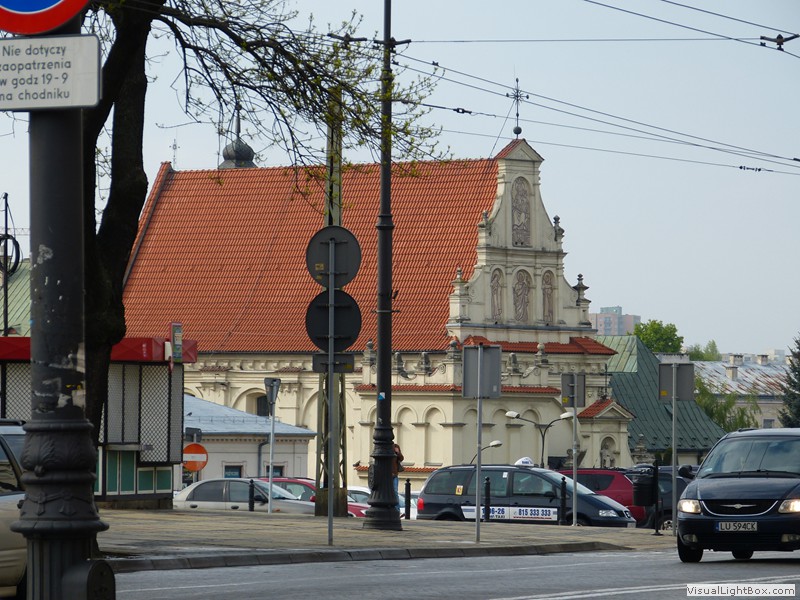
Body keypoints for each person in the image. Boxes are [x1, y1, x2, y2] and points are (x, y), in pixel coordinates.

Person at [392, 443, 404, 510]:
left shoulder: (396, 454)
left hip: (394, 475)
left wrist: (398, 453)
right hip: (388, 476)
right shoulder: (389, 453)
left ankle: (397, 509)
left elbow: (401, 458)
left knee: (395, 492)